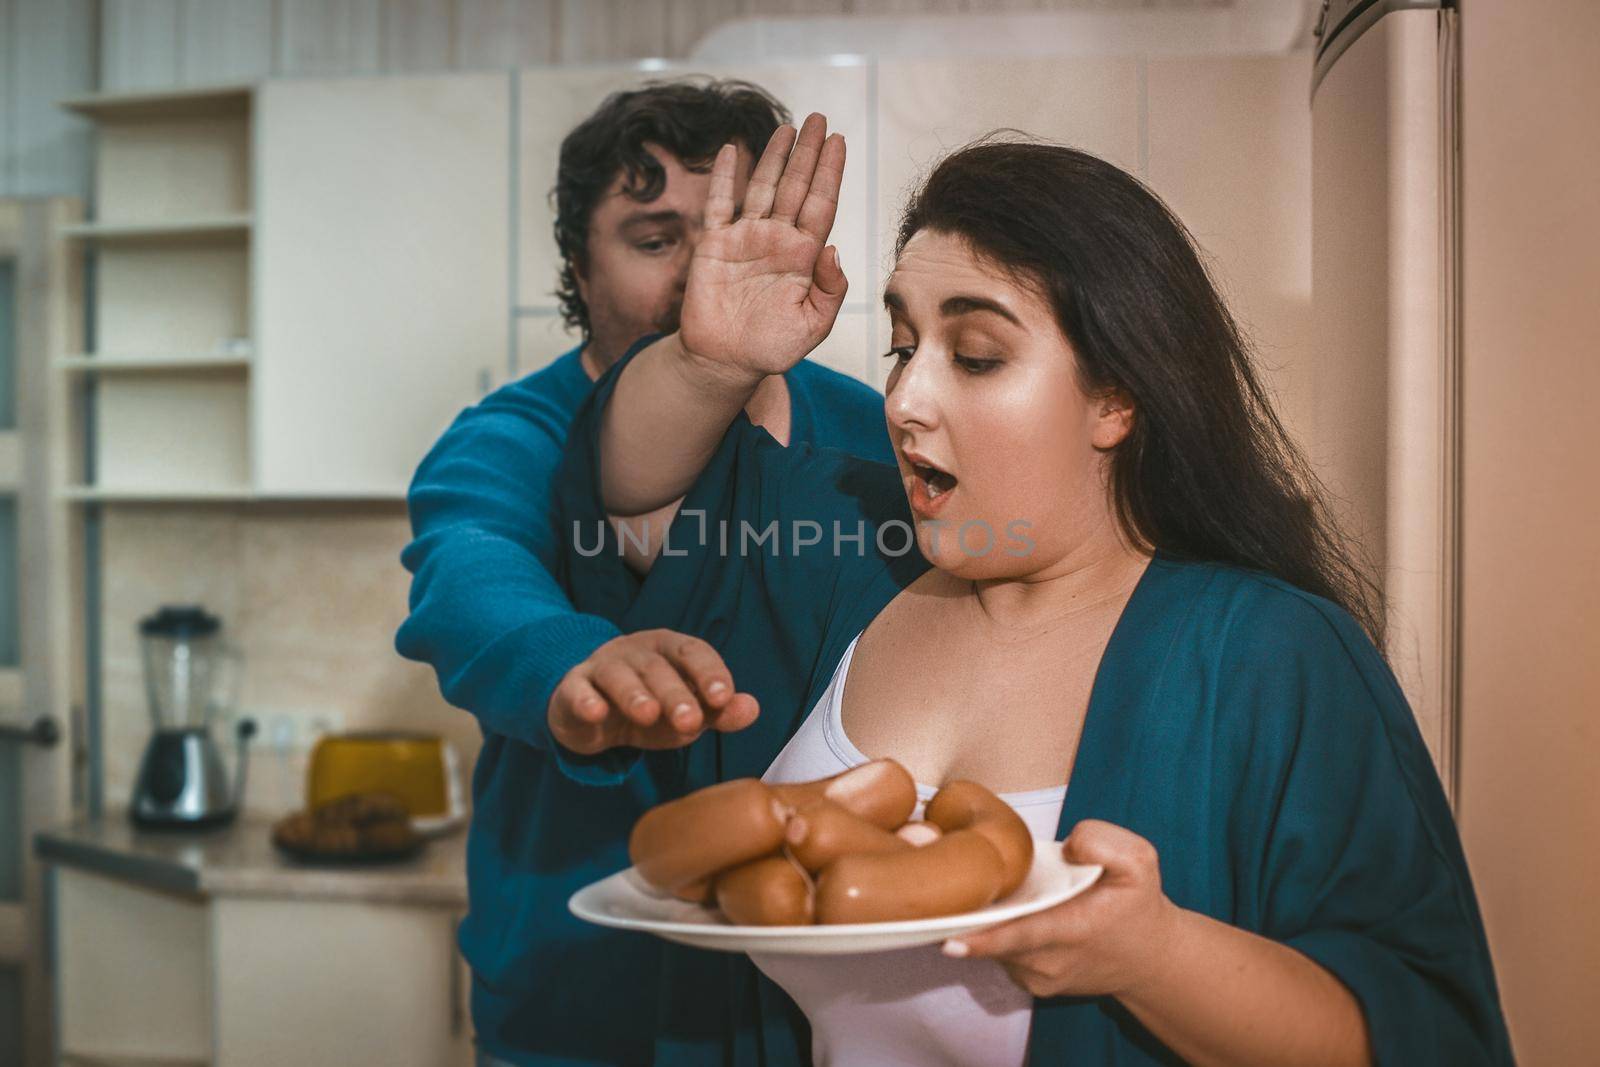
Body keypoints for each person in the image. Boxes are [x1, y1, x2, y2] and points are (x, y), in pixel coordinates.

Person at [551, 115, 1516, 1065]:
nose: (905, 399)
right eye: (900, 347)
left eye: (975, 356)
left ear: (1117, 397)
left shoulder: (1270, 653)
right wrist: (709, 361)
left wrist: (1157, 955)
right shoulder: (852, 551)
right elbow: (638, 493)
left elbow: (1422, 1030)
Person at [395, 83, 894, 1066]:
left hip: (830, 990)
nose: (704, 269)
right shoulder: (511, 438)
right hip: (580, 992)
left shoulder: (869, 431)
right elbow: (471, 579)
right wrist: (577, 661)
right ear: (580, 263)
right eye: (658, 237)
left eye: (732, 228)